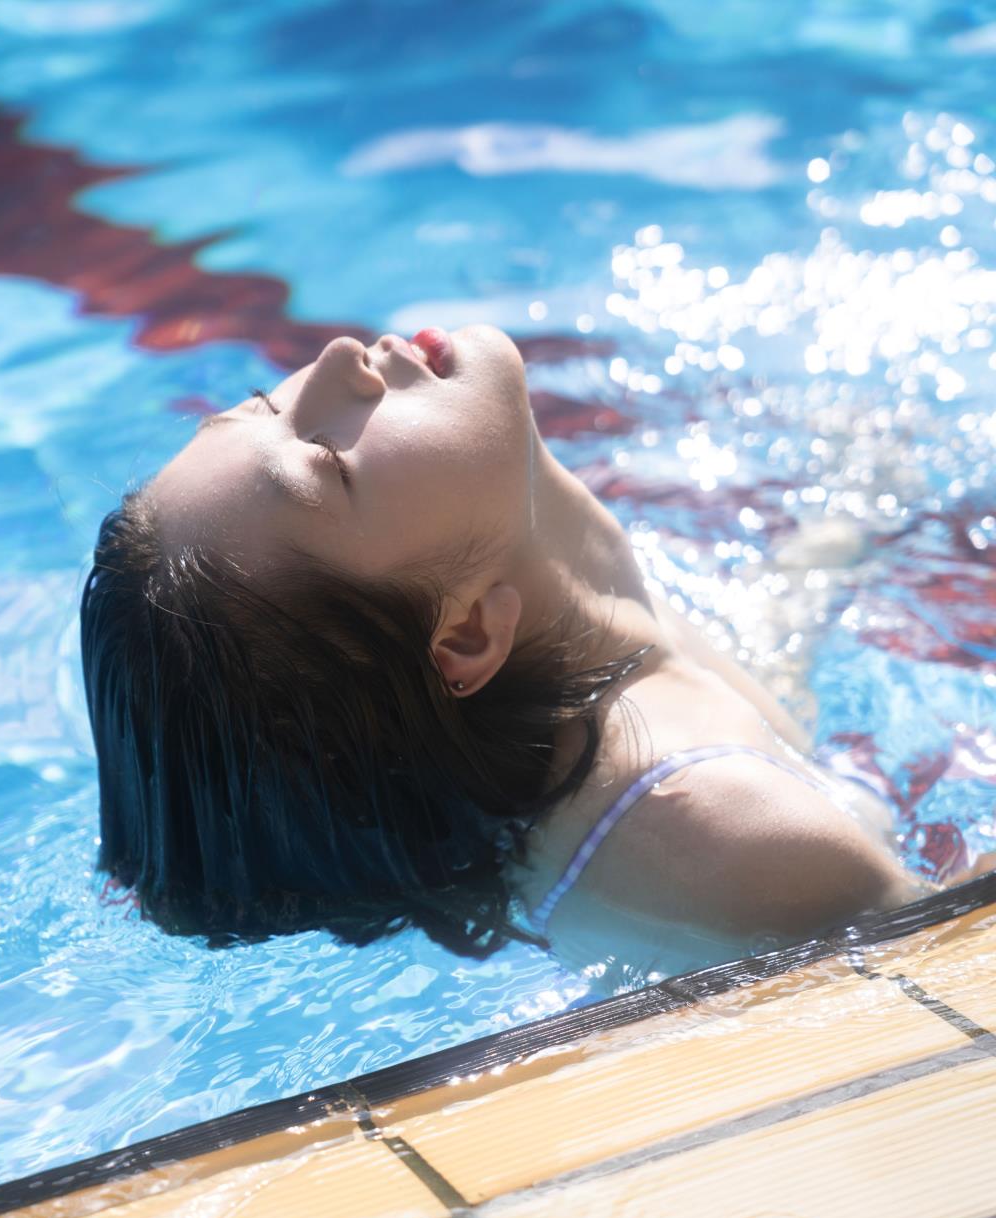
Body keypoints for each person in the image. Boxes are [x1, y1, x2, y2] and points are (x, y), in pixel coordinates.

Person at [80, 324, 968, 963]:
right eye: (327, 460)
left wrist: (835, 532)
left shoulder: (587, 625)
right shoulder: (727, 837)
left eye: (265, 404)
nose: (336, 364)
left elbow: (763, 677)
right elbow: (950, 978)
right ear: (466, 633)